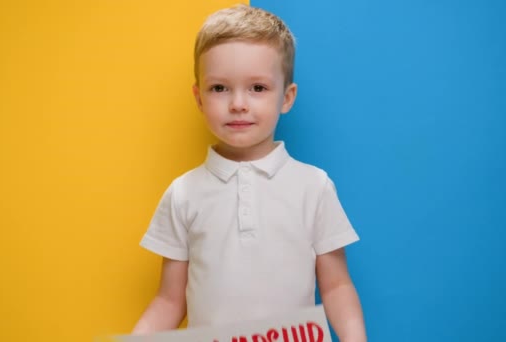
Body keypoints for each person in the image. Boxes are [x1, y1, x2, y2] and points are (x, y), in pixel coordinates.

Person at [132, 4, 366, 341]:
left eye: (257, 88)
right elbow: (169, 300)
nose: (238, 103)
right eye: (219, 88)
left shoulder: (313, 186)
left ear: (286, 97)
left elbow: (337, 286)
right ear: (199, 99)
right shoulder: (183, 193)